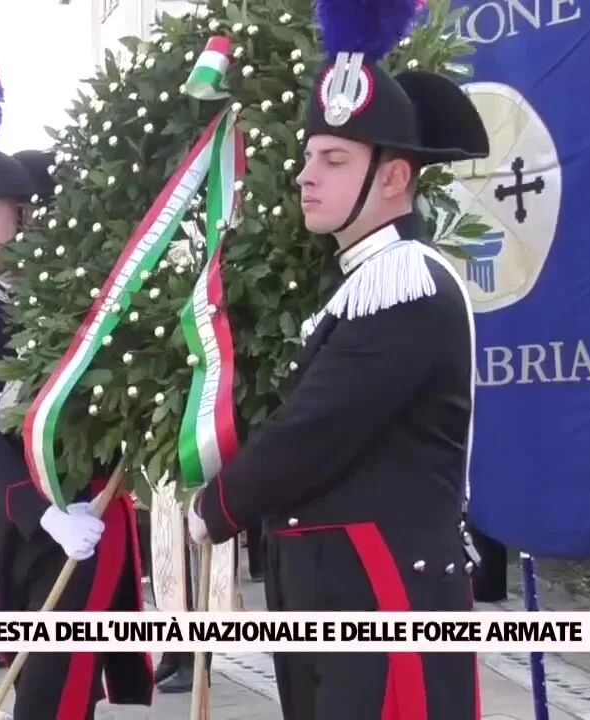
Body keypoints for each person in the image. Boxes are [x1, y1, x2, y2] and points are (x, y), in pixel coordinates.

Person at [186, 5, 491, 718]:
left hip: (384, 603)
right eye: (307, 157)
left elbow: (317, 432)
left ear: (394, 180)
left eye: (334, 159)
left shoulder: (405, 281)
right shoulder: (362, 285)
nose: (304, 176)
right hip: (342, 601)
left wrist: (216, 507)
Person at [0, 27, 153, 717]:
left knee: (53, 697)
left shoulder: (96, 308)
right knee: (37, 687)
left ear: (24, 213)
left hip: (92, 515)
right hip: (21, 525)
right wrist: (39, 514)